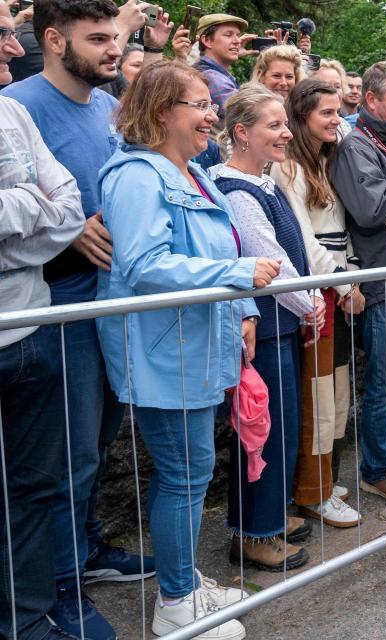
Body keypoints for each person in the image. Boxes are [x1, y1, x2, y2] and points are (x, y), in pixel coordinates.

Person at [98, 59, 281, 639]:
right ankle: (176, 602)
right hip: (164, 351)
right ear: (160, 113)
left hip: (197, 345)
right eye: (199, 104)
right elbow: (143, 265)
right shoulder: (136, 176)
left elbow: (218, 246)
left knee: (192, 470)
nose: (212, 114)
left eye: (209, 103)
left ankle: (185, 580)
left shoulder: (194, 174)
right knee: (183, 472)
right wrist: (239, 276)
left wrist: (245, 309)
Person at [1, 0, 159, 635]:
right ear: (54, 41)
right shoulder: (25, 103)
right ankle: (57, 589)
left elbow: (74, 195)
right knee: (62, 457)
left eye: (114, 36)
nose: (112, 49)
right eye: (98, 38)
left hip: (109, 293)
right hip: (57, 300)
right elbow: (57, 211)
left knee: (92, 445)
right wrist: (66, 236)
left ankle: (85, 552)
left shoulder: (104, 104)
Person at [211, 84, 325, 571]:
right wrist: (310, 303)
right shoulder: (237, 190)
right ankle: (254, 533)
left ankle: (269, 517)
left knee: (279, 428)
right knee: (264, 432)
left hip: (281, 321)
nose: (285, 133)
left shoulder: (262, 182)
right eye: (274, 125)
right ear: (241, 132)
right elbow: (269, 258)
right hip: (267, 325)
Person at [0, 6, 86, 637]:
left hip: (31, 330)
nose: (12, 46)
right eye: (0, 33)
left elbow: (70, 210)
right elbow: (47, 210)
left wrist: (31, 216)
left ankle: (27, 622)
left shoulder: (13, 112)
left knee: (33, 490)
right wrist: (33, 204)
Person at [272, 78, 363, 528]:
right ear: (301, 115)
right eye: (326, 112)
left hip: (340, 283)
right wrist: (345, 286)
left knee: (338, 392)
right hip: (316, 290)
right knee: (318, 395)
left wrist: (351, 280)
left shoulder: (326, 162)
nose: (336, 119)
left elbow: (339, 233)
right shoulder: (288, 169)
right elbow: (305, 241)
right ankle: (313, 491)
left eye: (337, 111)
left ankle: (327, 477)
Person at [331, 61, 386, 502]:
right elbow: (369, 208)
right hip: (382, 284)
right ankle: (379, 469)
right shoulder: (355, 147)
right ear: (371, 99)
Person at [193, 13, 248, 111]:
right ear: (207, 40)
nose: (238, 41)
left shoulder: (202, 69)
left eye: (238, 35)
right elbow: (249, 115)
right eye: (228, 35)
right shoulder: (213, 78)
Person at [311, 58, 352, 140]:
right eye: (325, 86)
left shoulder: (345, 127)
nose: (333, 91)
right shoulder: (297, 128)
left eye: (337, 86)